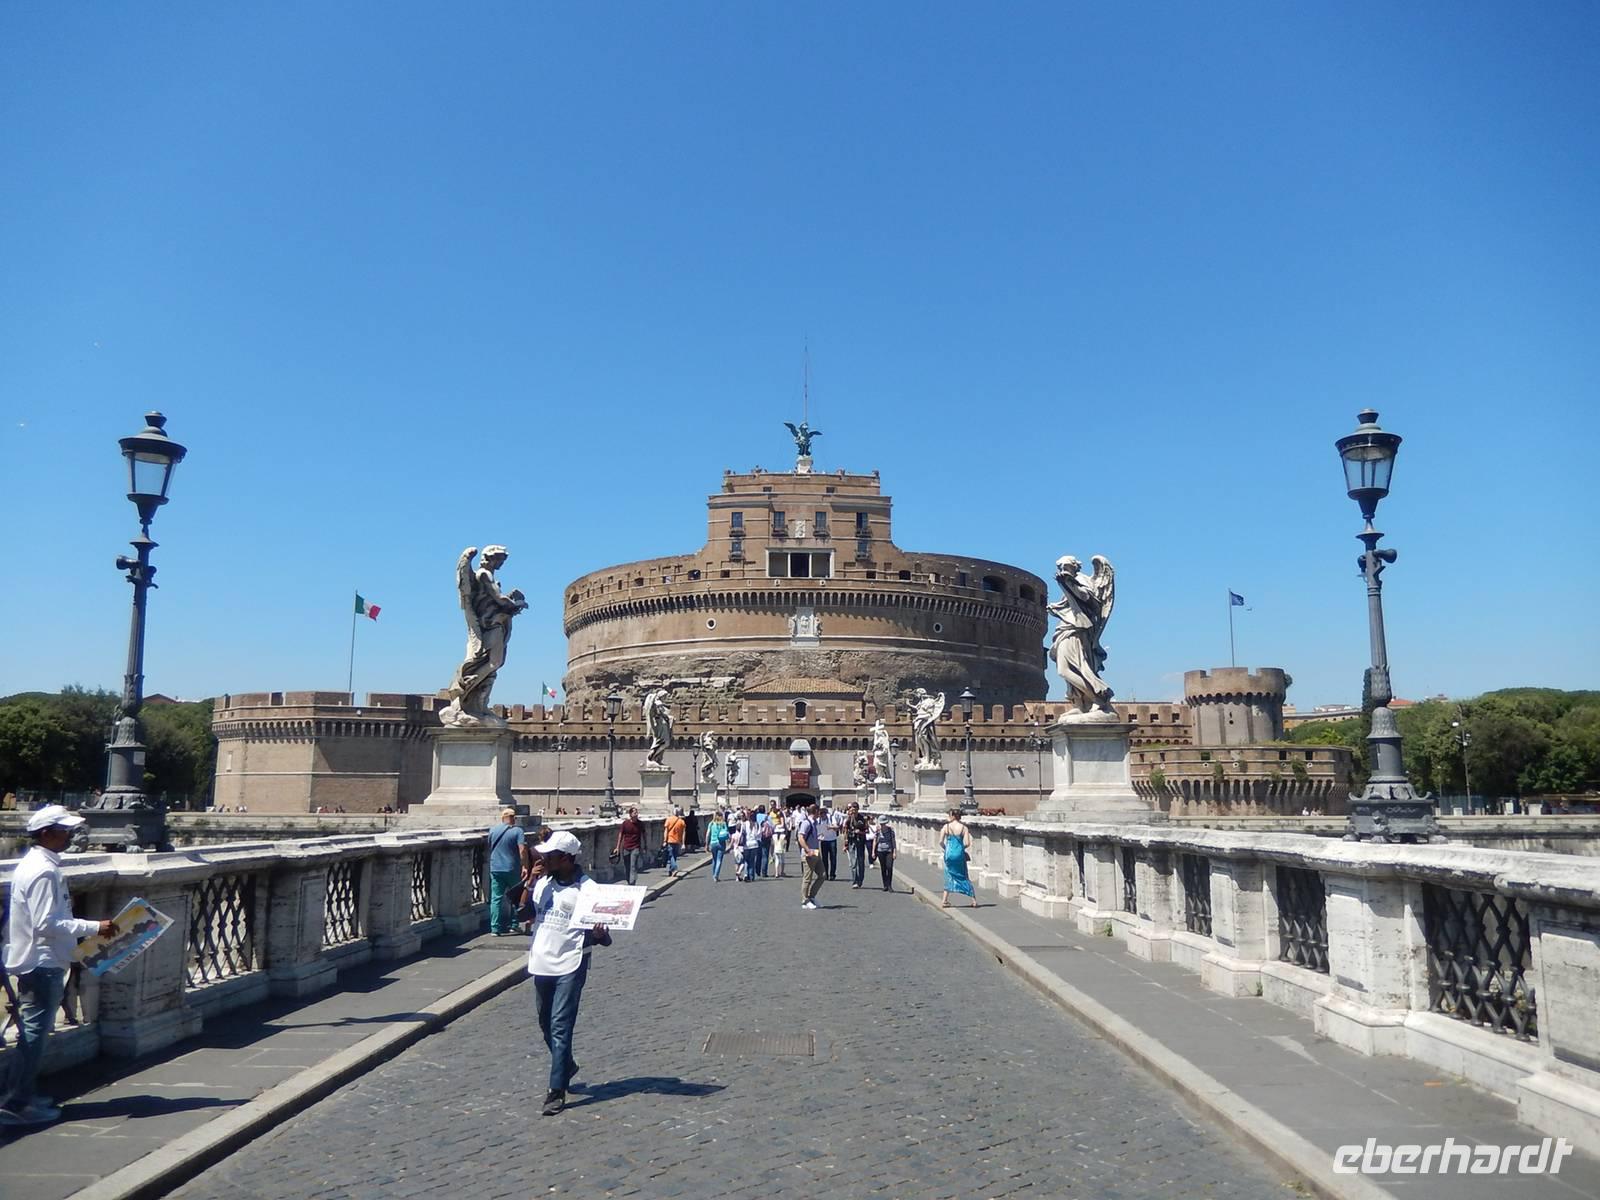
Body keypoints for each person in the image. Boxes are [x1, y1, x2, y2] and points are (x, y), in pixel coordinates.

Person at [2, 806, 117, 1126]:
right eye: (64, 830)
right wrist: (96, 927)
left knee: (32, 1032)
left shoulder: (39, 865)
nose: (70, 835)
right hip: (43, 960)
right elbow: (46, 924)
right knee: (34, 1035)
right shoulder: (44, 871)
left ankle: (20, 1095)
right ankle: (16, 1103)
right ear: (46, 834)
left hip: (40, 958)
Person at [525, 831, 611, 1116]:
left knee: (561, 1025)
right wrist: (529, 881)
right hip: (541, 960)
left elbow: (604, 937)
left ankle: (556, 1090)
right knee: (544, 1022)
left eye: (549, 855)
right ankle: (567, 1064)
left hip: (572, 963)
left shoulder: (589, 890)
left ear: (566, 858)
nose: (543, 858)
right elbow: (524, 913)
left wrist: (599, 934)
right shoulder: (543, 885)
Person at [486, 808, 529, 936]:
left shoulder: (493, 830)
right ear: (514, 818)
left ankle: (495, 928)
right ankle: (514, 925)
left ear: (502, 818)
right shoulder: (518, 831)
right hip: (512, 868)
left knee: (496, 898)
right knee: (516, 897)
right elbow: (522, 850)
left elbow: (489, 846)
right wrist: (524, 865)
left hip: (496, 868)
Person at [939, 808, 977, 909]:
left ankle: (944, 900)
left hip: (949, 854)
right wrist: (960, 848)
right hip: (959, 853)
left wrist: (946, 848)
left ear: (952, 816)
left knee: (949, 874)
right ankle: (973, 900)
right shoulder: (964, 828)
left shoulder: (946, 827)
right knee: (963, 874)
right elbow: (967, 843)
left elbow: (940, 842)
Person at [796, 802, 824, 910]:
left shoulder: (815, 823)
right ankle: (805, 900)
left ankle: (812, 896)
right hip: (808, 854)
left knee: (822, 875)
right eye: (819, 812)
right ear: (816, 811)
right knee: (807, 878)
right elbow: (800, 838)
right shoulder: (806, 823)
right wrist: (807, 850)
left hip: (816, 852)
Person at [611, 805, 646, 885]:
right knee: (627, 866)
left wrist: (645, 846)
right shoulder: (625, 823)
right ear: (630, 814)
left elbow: (644, 835)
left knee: (633, 865)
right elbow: (621, 835)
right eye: (634, 813)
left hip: (636, 847)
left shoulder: (640, 824)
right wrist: (617, 847)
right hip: (626, 847)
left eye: (637, 812)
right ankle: (628, 880)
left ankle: (632, 882)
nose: (636, 814)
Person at [844, 802, 870, 888]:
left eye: (855, 809)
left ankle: (860, 880)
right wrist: (845, 843)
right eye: (852, 809)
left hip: (860, 842)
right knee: (853, 862)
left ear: (858, 809)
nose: (853, 811)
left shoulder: (863, 819)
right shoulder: (849, 819)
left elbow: (867, 831)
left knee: (860, 862)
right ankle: (854, 881)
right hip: (852, 842)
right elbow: (845, 831)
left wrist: (860, 832)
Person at [872, 816, 898, 891]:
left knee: (889, 867)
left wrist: (894, 852)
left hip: (889, 850)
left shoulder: (890, 831)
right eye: (881, 824)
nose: (882, 825)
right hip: (880, 850)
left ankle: (889, 885)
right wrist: (873, 851)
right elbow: (874, 841)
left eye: (884, 824)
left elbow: (893, 841)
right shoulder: (877, 831)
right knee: (883, 868)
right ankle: (885, 885)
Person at [818, 803, 841, 881]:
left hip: (832, 840)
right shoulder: (818, 820)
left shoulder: (831, 817)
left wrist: (830, 827)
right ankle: (826, 874)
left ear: (825, 812)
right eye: (820, 813)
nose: (821, 814)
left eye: (822, 812)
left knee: (833, 858)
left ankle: (832, 874)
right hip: (823, 841)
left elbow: (837, 827)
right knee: (824, 859)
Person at [706, 810, 730, 882]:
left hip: (713, 843)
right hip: (721, 843)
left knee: (714, 859)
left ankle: (714, 874)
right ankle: (716, 875)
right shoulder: (723, 823)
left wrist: (707, 844)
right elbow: (726, 833)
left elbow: (708, 834)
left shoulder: (711, 823)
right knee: (719, 860)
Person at [663, 807, 686, 877]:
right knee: (674, 855)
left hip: (670, 840)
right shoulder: (682, 822)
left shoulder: (669, 819)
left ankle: (675, 868)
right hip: (678, 841)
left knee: (671, 855)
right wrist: (683, 843)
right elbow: (684, 833)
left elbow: (666, 831)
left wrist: (664, 840)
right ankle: (671, 871)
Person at [770, 805, 790, 877]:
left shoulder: (773, 824)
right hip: (781, 834)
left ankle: (776, 872)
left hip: (775, 834)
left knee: (777, 855)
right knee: (782, 855)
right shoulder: (781, 815)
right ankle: (781, 872)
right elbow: (783, 824)